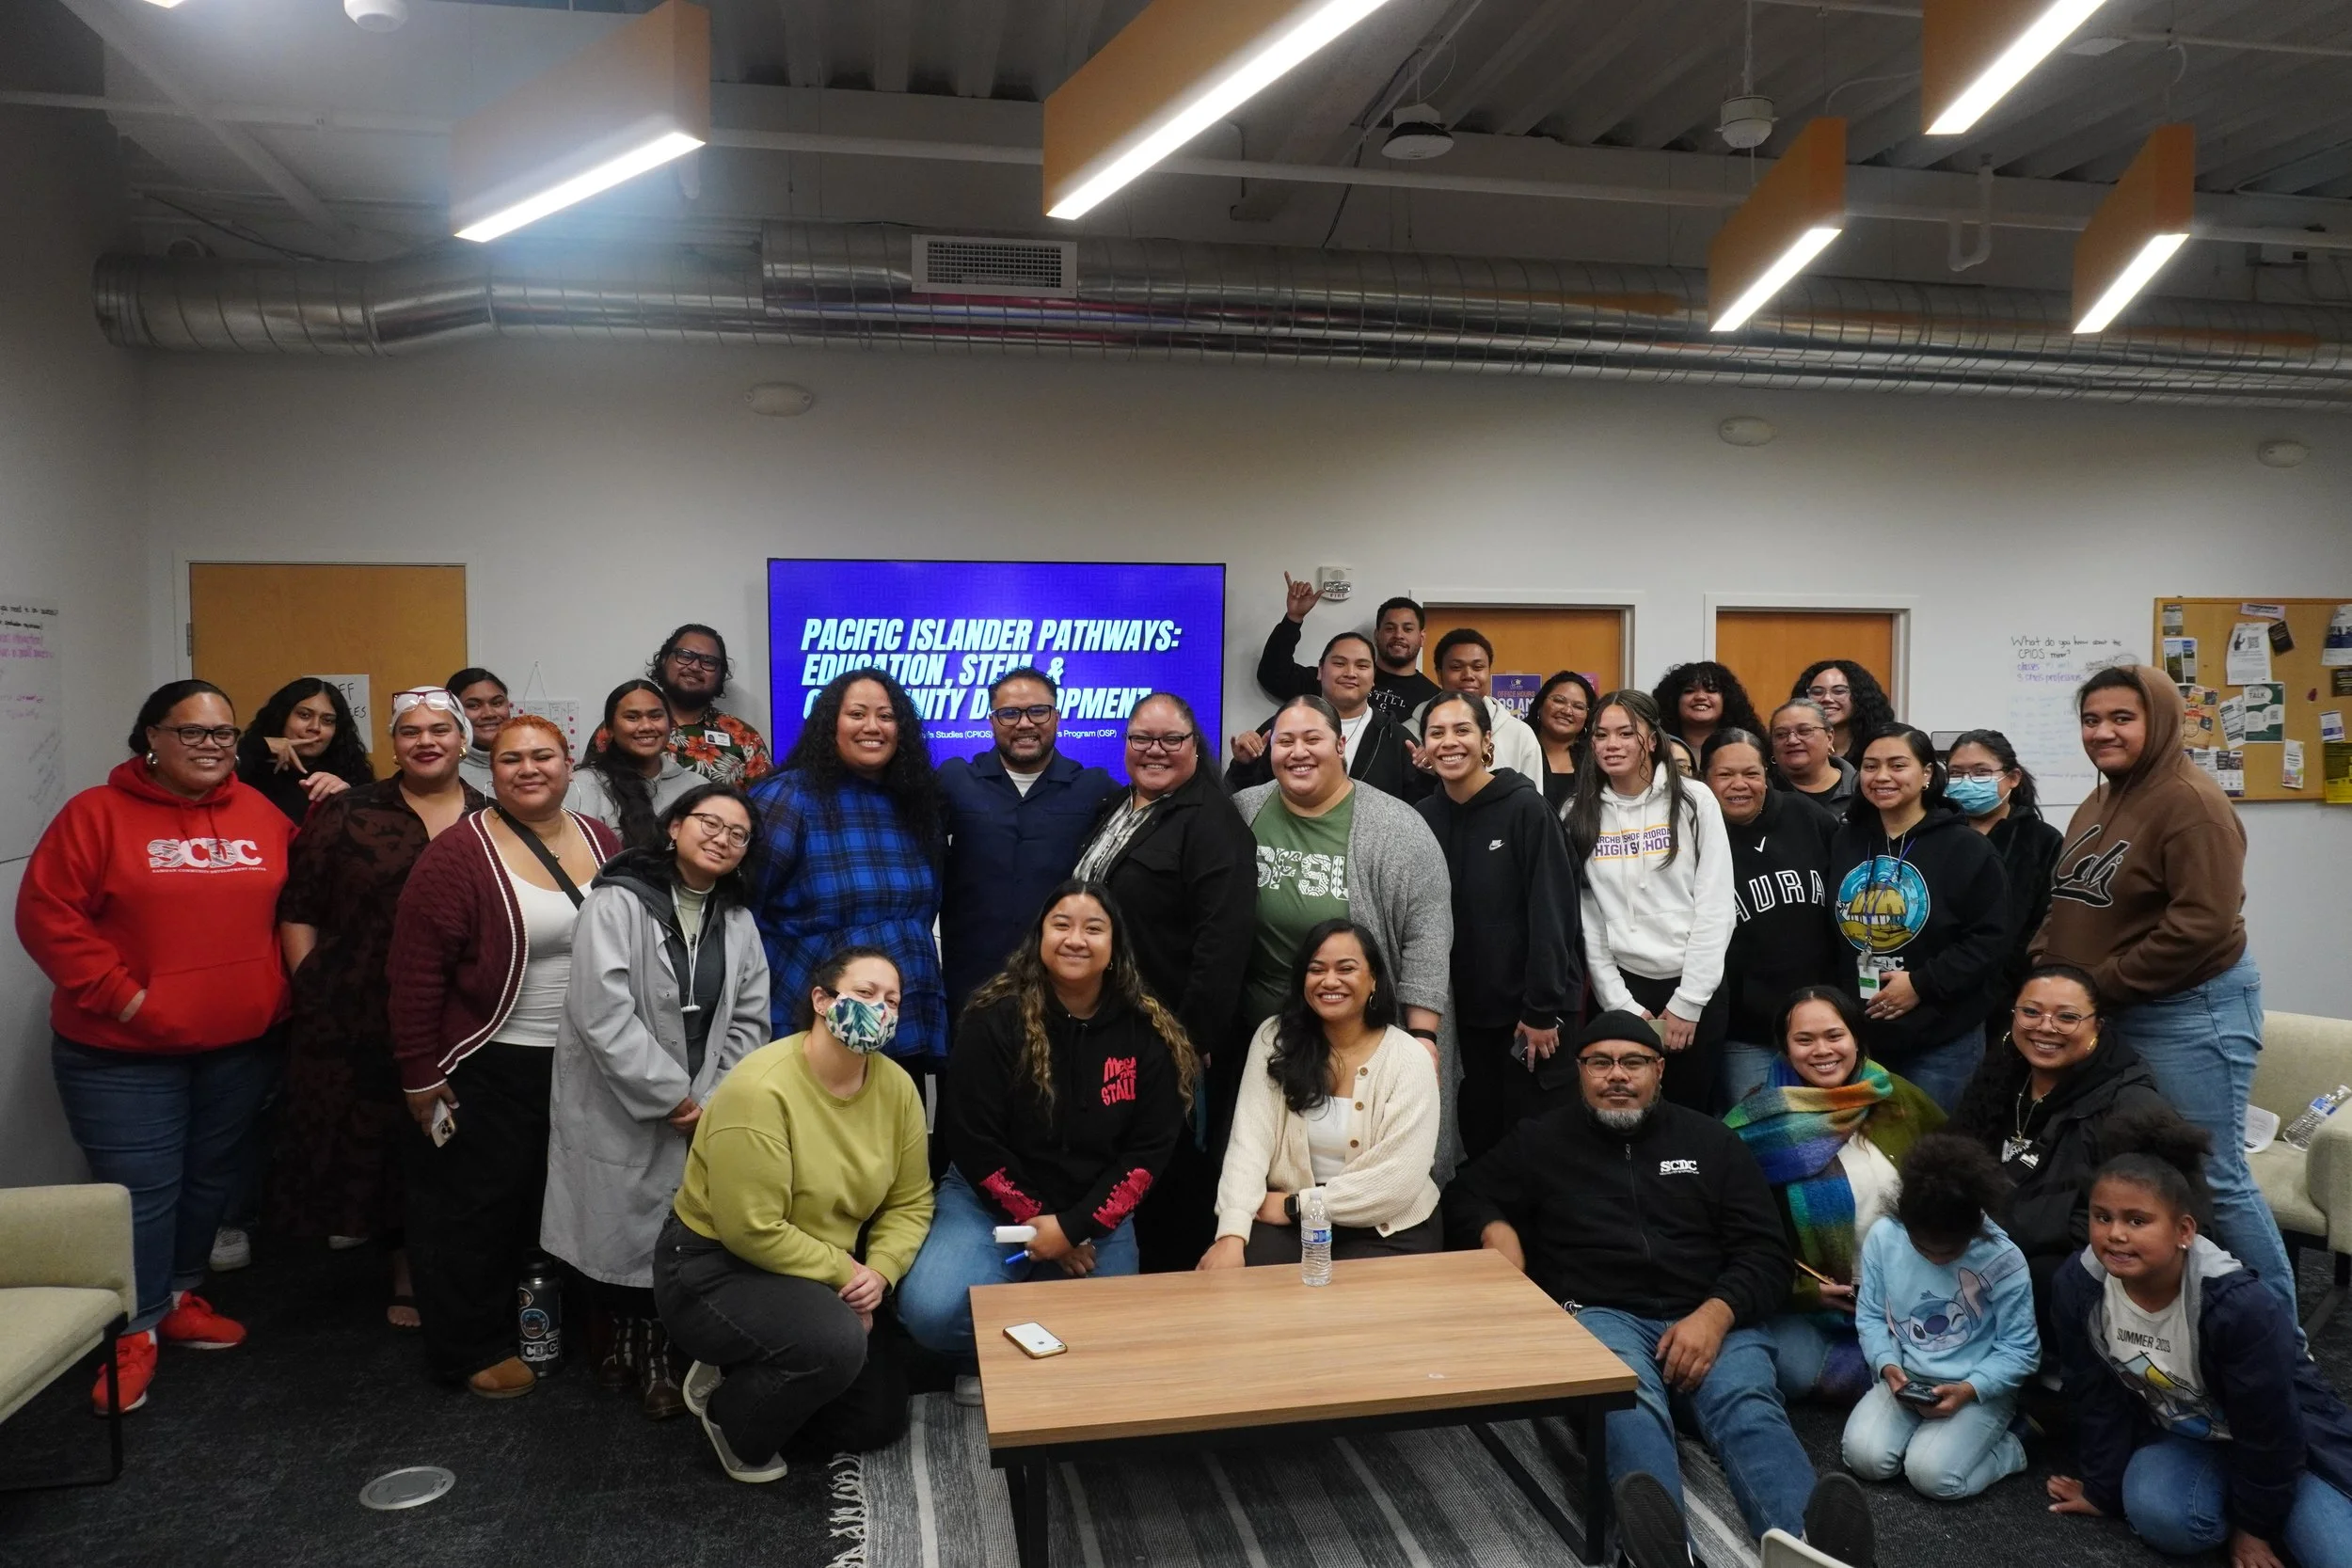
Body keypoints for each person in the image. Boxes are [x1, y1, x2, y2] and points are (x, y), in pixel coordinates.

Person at [1446, 1011, 1864, 1553]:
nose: (1616, 1075)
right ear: (1581, 1071)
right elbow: (1463, 1193)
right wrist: (1496, 1231)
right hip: (1601, 1312)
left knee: (1747, 1406)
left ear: (1659, 1070)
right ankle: (1658, 1553)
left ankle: (1816, 1550)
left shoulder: (1713, 1142)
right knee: (1628, 1405)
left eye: (1633, 1062)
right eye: (1601, 1062)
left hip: (1713, 1312)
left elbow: (1765, 1253)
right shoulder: (1540, 1141)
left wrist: (1715, 1315)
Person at [15, 679, 293, 1415]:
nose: (210, 746)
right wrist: (127, 998)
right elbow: (48, 918)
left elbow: (299, 905)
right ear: (151, 738)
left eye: (223, 734)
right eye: (192, 731)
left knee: (211, 1180)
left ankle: (177, 1296)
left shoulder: (260, 813)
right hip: (121, 1052)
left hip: (237, 1046)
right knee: (140, 1193)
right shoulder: (94, 815)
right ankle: (130, 1330)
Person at [2032, 664, 2297, 1323]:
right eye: (2092, 719)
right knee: (2143, 1171)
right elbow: (2067, 901)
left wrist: (2097, 985)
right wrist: (2046, 966)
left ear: (2160, 720)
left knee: (2214, 1176)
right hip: (2115, 1010)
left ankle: (2285, 1338)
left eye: (2122, 717)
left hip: (2189, 1011)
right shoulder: (2100, 800)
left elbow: (2202, 924)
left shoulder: (2192, 802)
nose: (2102, 732)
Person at [389, 714, 621, 1399]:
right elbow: (414, 974)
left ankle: (550, 1322)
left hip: (586, 1060)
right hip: (491, 1058)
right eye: (511, 758)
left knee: (562, 1201)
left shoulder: (600, 837)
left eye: (542, 756)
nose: (528, 768)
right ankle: (468, 1346)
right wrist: (420, 1074)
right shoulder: (458, 855)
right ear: (491, 768)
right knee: (476, 1208)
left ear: (568, 762)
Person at [898, 882, 1193, 1402]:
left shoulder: (1148, 1031)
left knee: (1116, 1341)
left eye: (1093, 928)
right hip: (989, 1203)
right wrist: (1042, 1227)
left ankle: (1018, 1332)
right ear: (1040, 937)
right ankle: (989, 1353)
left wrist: (1075, 1228)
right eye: (1061, 924)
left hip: (1094, 1210)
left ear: (1115, 947)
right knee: (929, 1311)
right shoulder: (993, 1018)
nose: (1075, 939)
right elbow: (972, 1140)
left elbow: (1147, 1154)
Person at [656, 946, 932, 1482]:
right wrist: (845, 1274)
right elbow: (751, 1229)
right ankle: (730, 1421)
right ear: (823, 1001)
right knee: (834, 1347)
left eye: (892, 1001)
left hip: (814, 1263)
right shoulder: (761, 1088)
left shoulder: (897, 1087)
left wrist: (879, 1273)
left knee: (876, 1421)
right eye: (865, 994)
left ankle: (749, 1360)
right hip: (714, 1263)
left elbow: (911, 1199)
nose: (880, 1010)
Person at [543, 784, 770, 1419]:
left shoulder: (740, 920)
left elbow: (752, 1021)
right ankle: (632, 1340)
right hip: (623, 1095)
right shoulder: (615, 902)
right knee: (620, 1226)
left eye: (739, 832)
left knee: (680, 1226)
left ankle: (667, 1343)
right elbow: (600, 1010)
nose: (723, 837)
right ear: (673, 827)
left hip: (705, 1102)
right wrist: (671, 1096)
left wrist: (713, 1098)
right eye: (709, 822)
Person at [2048, 1109, 2352, 1567]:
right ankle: (2246, 1495)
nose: (2114, 1235)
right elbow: (2094, 1393)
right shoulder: (2079, 1284)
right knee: (2164, 1518)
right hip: (2193, 1433)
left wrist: (2254, 1531)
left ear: (2184, 1231)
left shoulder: (2238, 1306)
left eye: (2137, 1221)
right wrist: (2102, 1488)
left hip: (2291, 1441)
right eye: (2101, 1216)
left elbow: (2271, 1428)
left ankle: (2271, 1500)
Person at [271, 687, 484, 1332]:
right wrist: (313, 982)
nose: (426, 740)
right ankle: (405, 1267)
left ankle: (465, 1262)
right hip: (359, 1009)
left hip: (467, 1012)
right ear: (393, 743)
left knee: (458, 1140)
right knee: (387, 1142)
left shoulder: (492, 815)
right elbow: (298, 907)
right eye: (411, 730)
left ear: (463, 740)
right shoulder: (346, 812)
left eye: (440, 729)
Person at [1073, 693, 1258, 1271]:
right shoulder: (1115, 805)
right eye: (1140, 739)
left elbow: (1222, 942)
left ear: (1193, 746)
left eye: (1170, 740)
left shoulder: (1212, 821)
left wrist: (1190, 1039)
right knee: (1122, 1164)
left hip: (1169, 1037)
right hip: (1107, 1025)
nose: (1154, 751)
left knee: (1170, 1177)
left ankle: (1171, 1302)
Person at [1231, 696, 1454, 1166]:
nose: (1298, 752)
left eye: (1312, 739)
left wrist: (1423, 1037)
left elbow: (1428, 935)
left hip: (1360, 1042)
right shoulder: (1242, 812)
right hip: (1257, 1041)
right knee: (1263, 1167)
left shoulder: (1396, 827)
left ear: (1340, 744)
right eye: (1285, 741)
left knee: (1356, 1170)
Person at [1725, 986, 1945, 1402]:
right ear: (1785, 1048)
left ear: (1856, 1038)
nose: (1822, 1050)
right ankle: (1902, 1377)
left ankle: (1904, 1374)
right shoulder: (1755, 1123)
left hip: (1913, 1289)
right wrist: (1802, 1291)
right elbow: (1732, 1236)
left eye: (1834, 1035)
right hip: (1816, 1308)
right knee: (1791, 1373)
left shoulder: (1896, 1095)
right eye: (1804, 1040)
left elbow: (1959, 1182)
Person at [1200, 921, 1440, 1267]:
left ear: (1373, 979)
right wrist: (1232, 1232)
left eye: (1346, 969)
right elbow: (1248, 1145)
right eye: (1317, 970)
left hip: (1385, 1224)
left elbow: (1397, 1181)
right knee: (1247, 1286)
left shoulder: (1408, 1058)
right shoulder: (1274, 1040)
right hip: (1287, 1225)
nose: (1329, 981)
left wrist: (1297, 1205)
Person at [742, 669, 946, 1069]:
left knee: (894, 1128)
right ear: (829, 724)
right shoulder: (787, 797)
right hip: (811, 1016)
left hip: (900, 1017)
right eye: (857, 714)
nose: (873, 726)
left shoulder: (918, 804)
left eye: (886, 717)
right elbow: (745, 909)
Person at [1947, 962, 2168, 1334]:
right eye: (2030, 1012)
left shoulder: (2130, 1104)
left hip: (2075, 1259)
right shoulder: (2002, 1074)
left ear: (2097, 1025)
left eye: (2067, 1017)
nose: (2045, 1027)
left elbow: (2133, 1220)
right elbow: (1956, 1158)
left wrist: (2002, 1241)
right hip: (1997, 1238)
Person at [1414, 691, 1581, 1160]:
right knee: (1481, 1146)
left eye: (1462, 730)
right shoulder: (1423, 819)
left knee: (1541, 1147)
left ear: (1487, 741)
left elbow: (1554, 913)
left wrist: (1542, 1009)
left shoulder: (1526, 809)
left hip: (1529, 1019)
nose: (1449, 743)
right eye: (1436, 733)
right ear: (1424, 747)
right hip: (1462, 1022)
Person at [1844, 1135, 2039, 1501]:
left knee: (1932, 1477)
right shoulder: (1885, 1237)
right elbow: (1870, 1315)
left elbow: (2020, 1350)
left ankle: (2015, 1445)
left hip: (1977, 1387)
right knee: (1864, 1459)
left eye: (1950, 1250)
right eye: (1923, 1248)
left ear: (1975, 1227)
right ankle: (1942, 1441)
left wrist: (1968, 1390)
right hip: (1908, 1378)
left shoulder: (2003, 1258)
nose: (1936, 1259)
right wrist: (1887, 1366)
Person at [1566, 689, 1736, 1112]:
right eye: (1601, 734)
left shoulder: (1695, 800)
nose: (1612, 745)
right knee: (1626, 1112)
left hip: (1696, 983)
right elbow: (1589, 919)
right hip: (1626, 986)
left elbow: (1716, 905)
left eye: (1627, 733)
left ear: (1652, 739)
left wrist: (1689, 1001)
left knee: (1690, 1115)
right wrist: (1620, 1004)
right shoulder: (1577, 811)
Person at [1828, 725, 2010, 1113]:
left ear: (1927, 773)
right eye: (1871, 766)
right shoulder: (1847, 841)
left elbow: (1991, 940)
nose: (1882, 777)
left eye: (1898, 765)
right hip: (1862, 1034)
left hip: (1942, 1036)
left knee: (1931, 1154)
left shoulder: (1967, 848)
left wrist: (1921, 984)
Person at [936, 667, 1119, 1016]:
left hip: (1061, 989)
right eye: (1009, 713)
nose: (1024, 723)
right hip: (970, 989)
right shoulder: (954, 780)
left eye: (1038, 711)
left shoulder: (1094, 788)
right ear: (992, 720)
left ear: (1057, 717)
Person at [1704, 728, 1850, 1106]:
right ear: (1704, 780)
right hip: (1746, 1034)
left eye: (1751, 773)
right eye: (1725, 775)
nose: (1740, 785)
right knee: (1756, 1137)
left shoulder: (1804, 814)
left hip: (1823, 1025)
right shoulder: (1694, 835)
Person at [1946, 729, 2062, 1047]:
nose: (1967, 782)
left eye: (1981, 772)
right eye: (1956, 773)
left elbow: (2045, 921)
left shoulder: (2042, 841)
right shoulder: (1938, 833)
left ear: (2012, 778)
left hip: (2011, 993)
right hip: (1942, 990)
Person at [1228, 631, 1416, 799]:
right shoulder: (1280, 729)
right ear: (1320, 670)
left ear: (1374, 678)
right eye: (1339, 663)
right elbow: (1239, 801)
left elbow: (1418, 809)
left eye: (1362, 666)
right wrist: (1244, 765)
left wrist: (1430, 772)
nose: (1350, 673)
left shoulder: (1397, 739)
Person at [1254, 576, 1438, 720]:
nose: (1398, 635)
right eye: (1390, 628)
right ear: (1376, 635)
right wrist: (1293, 619)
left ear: (1421, 637)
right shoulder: (1335, 679)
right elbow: (1273, 676)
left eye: (1408, 629)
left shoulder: (1432, 699)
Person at [566, 679, 699, 849]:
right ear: (610, 729)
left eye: (655, 716)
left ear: (671, 725)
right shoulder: (582, 786)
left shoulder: (697, 786)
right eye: (632, 717)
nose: (646, 726)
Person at [1408, 628, 1543, 782]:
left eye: (1478, 667)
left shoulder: (1520, 734)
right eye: (1456, 668)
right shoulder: (1408, 732)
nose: (1468, 676)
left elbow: (1534, 801)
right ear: (1439, 674)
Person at [235, 676, 373, 825]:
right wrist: (261, 745)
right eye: (304, 715)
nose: (315, 727)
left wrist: (348, 797)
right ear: (282, 717)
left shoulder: (350, 772)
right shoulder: (250, 765)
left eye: (327, 721)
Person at [646, 623, 771, 785]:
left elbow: (766, 805)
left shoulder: (744, 737)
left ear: (721, 675)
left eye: (708, 662)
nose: (695, 666)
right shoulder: (627, 725)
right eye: (685, 655)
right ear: (664, 660)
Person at [1791, 660, 1899, 769]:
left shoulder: (1883, 746)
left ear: (1860, 696)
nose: (1826, 699)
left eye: (1839, 691)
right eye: (1817, 692)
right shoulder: (1790, 744)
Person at [1652, 660, 1766, 758]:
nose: (1700, 697)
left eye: (1711, 690)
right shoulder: (1654, 748)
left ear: (1727, 699)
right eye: (1689, 691)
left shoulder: (1749, 747)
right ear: (1674, 700)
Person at [1770, 698, 1858, 815]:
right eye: (1781, 734)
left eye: (1804, 731)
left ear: (1829, 737)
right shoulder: (1764, 793)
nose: (1792, 740)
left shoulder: (1862, 787)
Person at [1532, 669, 1597, 814]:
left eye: (1578, 707)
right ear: (1540, 705)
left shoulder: (1595, 758)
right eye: (1559, 700)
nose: (1568, 711)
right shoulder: (1521, 748)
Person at [446, 667, 510, 796]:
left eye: (497, 703)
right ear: (454, 713)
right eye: (473, 705)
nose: (489, 714)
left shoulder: (530, 760)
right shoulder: (445, 771)